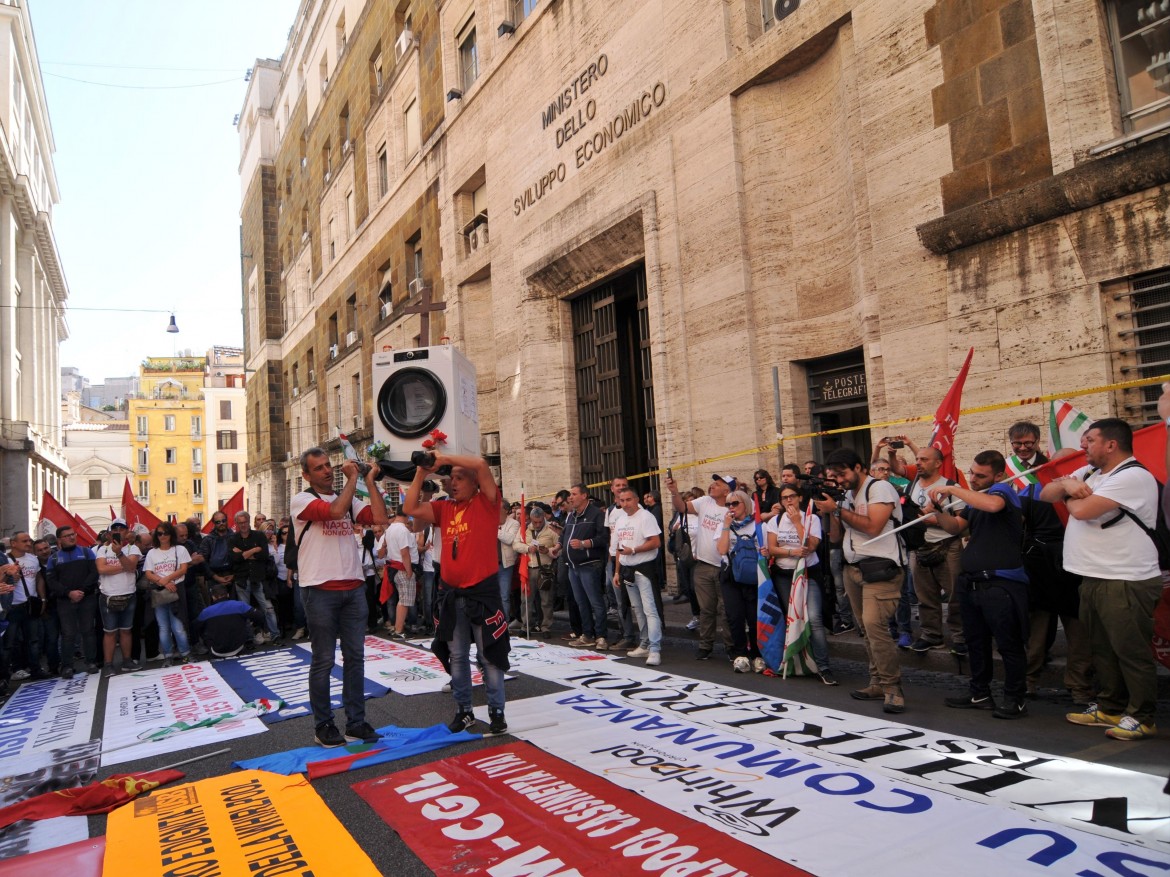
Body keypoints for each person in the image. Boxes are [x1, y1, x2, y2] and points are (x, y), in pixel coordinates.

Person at [1041, 418, 1161, 741]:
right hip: (1093, 576)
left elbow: (1083, 511)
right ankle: (1110, 706)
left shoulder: (1133, 476)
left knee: (1129, 650)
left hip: (1124, 578)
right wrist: (1066, 486)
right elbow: (1045, 492)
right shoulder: (1091, 473)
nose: (1083, 446)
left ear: (1111, 444)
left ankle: (1142, 715)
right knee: (1102, 650)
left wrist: (1069, 494)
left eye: (1090, 440)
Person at [404, 451, 509, 735]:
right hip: (452, 594)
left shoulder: (487, 503)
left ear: (476, 483)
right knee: (458, 656)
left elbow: (482, 464)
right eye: (451, 478)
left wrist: (441, 457)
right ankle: (464, 710)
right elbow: (411, 508)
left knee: (488, 655)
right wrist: (422, 471)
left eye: (460, 478)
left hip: (482, 593)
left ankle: (496, 710)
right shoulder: (444, 508)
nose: (453, 483)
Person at [291, 448, 388, 747]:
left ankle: (356, 722)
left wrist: (369, 481)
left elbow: (380, 518)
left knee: (355, 658)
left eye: (328, 465)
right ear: (306, 475)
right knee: (323, 660)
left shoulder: (350, 499)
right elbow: (333, 512)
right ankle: (324, 725)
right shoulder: (302, 499)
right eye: (318, 468)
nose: (326, 471)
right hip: (319, 589)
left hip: (353, 587)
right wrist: (353, 479)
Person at [928, 451, 1030, 719]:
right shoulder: (976, 501)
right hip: (973, 583)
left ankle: (1015, 697)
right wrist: (938, 513)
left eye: (980, 475)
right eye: (971, 473)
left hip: (1001, 583)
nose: (973, 479)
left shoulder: (1002, 492)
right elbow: (956, 527)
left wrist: (954, 488)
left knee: (1009, 644)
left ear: (998, 475)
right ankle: (980, 692)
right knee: (976, 642)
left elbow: (994, 506)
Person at [814, 448, 906, 714]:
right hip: (853, 567)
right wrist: (829, 511)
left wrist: (838, 510)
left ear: (858, 467)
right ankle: (876, 681)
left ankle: (893, 688)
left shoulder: (880, 488)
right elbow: (833, 537)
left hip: (881, 568)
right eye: (834, 476)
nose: (839, 480)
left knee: (875, 627)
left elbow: (873, 526)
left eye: (842, 474)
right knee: (865, 630)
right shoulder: (845, 496)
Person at [765, 484, 837, 684]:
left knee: (813, 618)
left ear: (799, 498)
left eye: (792, 496)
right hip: (783, 574)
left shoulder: (811, 518)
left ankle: (824, 666)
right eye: (784, 497)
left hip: (808, 574)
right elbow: (772, 548)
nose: (789, 500)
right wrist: (791, 552)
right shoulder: (775, 521)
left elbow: (811, 546)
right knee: (791, 617)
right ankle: (797, 659)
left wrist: (798, 523)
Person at [666, 474, 736, 660]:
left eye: (717, 484)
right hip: (703, 565)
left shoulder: (733, 508)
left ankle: (731, 647)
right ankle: (706, 646)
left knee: (726, 610)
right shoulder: (705, 501)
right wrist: (674, 492)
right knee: (706, 609)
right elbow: (682, 507)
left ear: (726, 490)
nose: (712, 485)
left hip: (724, 567)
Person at [905, 446, 966, 655]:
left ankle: (961, 636)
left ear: (938, 463)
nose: (918, 463)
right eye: (917, 459)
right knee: (925, 596)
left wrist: (933, 519)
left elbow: (963, 520)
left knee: (955, 595)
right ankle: (931, 635)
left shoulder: (950, 486)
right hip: (919, 548)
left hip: (948, 546)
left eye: (923, 459)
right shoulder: (911, 486)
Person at [610, 487, 663, 665]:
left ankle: (655, 649)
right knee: (638, 610)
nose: (625, 504)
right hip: (626, 570)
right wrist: (617, 572)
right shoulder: (621, 519)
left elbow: (656, 542)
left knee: (650, 610)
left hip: (644, 569)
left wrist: (634, 550)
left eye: (628, 500)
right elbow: (619, 549)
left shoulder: (646, 517)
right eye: (622, 500)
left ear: (636, 499)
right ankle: (645, 643)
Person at [559, 483, 610, 649]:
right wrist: (557, 547)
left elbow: (603, 538)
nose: (570, 497)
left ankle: (601, 636)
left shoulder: (596, 514)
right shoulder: (572, 515)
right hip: (573, 566)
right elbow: (565, 535)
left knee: (595, 601)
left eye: (573, 494)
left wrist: (585, 543)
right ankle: (587, 635)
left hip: (589, 564)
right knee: (581, 602)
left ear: (584, 496)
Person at [716, 489, 762, 673]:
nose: (731, 507)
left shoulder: (758, 525)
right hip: (731, 575)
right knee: (734, 616)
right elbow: (721, 549)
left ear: (746, 504)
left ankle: (757, 654)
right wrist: (726, 526)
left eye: (735, 503)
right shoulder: (724, 525)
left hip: (752, 575)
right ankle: (740, 654)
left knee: (753, 617)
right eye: (728, 504)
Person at [45, 525, 100, 677]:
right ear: (59, 539)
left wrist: (81, 591)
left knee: (88, 631)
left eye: (73, 534)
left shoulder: (86, 552)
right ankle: (67, 666)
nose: (71, 537)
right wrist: (69, 593)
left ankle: (91, 662)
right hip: (65, 601)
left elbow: (93, 573)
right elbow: (52, 582)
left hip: (86, 598)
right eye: (67, 535)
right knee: (68, 634)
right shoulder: (54, 558)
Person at [96, 519, 142, 676]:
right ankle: (108, 664)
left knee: (126, 630)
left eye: (121, 529)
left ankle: (127, 661)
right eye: (115, 529)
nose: (118, 531)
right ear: (109, 534)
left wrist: (120, 554)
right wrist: (124, 566)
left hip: (128, 594)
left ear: (127, 531)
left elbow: (132, 566)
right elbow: (101, 569)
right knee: (109, 632)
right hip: (108, 595)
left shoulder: (133, 548)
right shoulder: (103, 549)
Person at [143, 521, 193, 666]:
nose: (163, 536)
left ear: (171, 534)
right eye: (159, 533)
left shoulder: (180, 549)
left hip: (176, 590)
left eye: (166, 533)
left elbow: (183, 569)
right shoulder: (152, 552)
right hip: (160, 592)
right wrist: (164, 582)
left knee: (178, 626)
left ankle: (185, 654)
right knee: (163, 627)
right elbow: (148, 573)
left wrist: (167, 579)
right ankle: (168, 656)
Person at [230, 511, 280, 646]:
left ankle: (275, 635)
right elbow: (234, 559)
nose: (243, 525)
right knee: (245, 610)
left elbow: (264, 556)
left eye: (245, 522)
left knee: (268, 608)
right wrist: (253, 550)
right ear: (236, 524)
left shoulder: (259, 536)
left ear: (249, 521)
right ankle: (248, 639)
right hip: (241, 579)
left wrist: (243, 554)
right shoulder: (232, 539)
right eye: (240, 522)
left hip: (258, 578)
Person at [2, 532, 46, 680]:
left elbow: (39, 578)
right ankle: (11, 672)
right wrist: (10, 577)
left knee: (33, 639)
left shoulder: (33, 559)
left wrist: (42, 598)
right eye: (24, 541)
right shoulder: (5, 560)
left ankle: (35, 669)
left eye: (29, 540)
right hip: (12, 606)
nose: (28, 543)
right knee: (11, 642)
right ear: (13, 543)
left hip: (30, 604)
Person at [604, 477, 638, 651]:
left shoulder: (635, 510)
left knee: (636, 601)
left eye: (624, 486)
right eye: (617, 485)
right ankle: (625, 633)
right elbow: (610, 536)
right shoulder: (610, 510)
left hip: (632, 559)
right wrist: (610, 558)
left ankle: (635, 636)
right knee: (619, 601)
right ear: (612, 489)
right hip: (614, 559)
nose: (621, 488)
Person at [195, 585, 266, 658]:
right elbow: (260, 616)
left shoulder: (206, 612)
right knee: (245, 618)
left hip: (217, 651)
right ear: (228, 595)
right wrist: (254, 628)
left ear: (213, 597)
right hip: (238, 648)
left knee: (202, 626)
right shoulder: (240, 605)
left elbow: (196, 628)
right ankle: (254, 637)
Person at [383, 508, 418, 639]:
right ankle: (399, 630)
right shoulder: (402, 529)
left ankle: (398, 628)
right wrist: (409, 570)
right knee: (404, 600)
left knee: (403, 599)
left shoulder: (390, 528)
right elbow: (404, 552)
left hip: (395, 567)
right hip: (402, 567)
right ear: (407, 514)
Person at [498, 500, 520, 625]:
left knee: (504, 596)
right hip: (490, 565)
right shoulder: (490, 520)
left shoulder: (514, 523)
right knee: (492, 596)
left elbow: (510, 539)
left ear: (506, 510)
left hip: (505, 565)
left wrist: (494, 530)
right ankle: (494, 622)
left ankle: (504, 623)